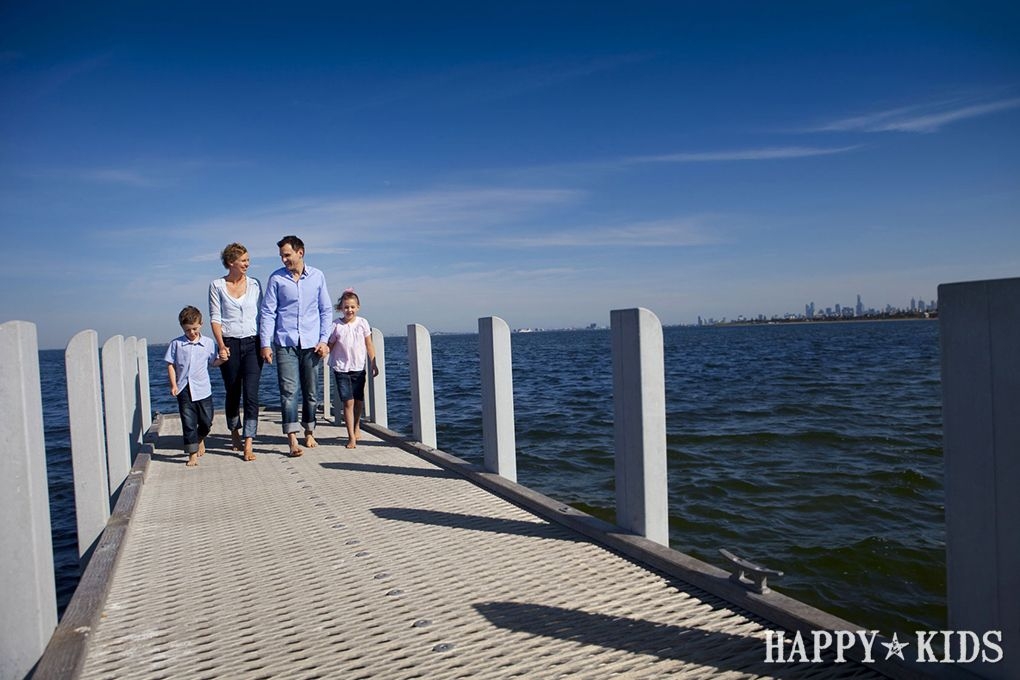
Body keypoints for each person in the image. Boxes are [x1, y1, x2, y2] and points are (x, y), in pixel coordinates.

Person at [259, 235, 332, 457]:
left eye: (287, 255)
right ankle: (292, 438)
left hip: (312, 345)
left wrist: (324, 340)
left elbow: (326, 310)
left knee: (311, 392)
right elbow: (268, 312)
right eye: (282, 256)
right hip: (285, 343)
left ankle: (309, 430)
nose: (284, 260)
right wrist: (265, 344)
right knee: (289, 392)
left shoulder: (318, 276)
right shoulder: (276, 279)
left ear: (300, 253)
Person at [209, 242, 264, 462]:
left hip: (253, 344)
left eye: (248, 260)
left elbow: (263, 316)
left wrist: (265, 344)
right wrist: (221, 345)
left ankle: (248, 441)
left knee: (251, 394)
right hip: (229, 343)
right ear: (231, 262)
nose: (247, 264)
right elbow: (215, 317)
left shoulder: (255, 284)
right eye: (243, 260)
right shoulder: (216, 286)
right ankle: (234, 432)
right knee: (233, 392)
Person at [165, 306, 225, 467]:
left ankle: (200, 438)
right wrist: (173, 385)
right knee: (188, 422)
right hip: (184, 388)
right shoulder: (176, 344)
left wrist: (223, 359)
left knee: (207, 421)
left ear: (201, 324)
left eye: (194, 329)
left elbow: (214, 362)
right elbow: (170, 364)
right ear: (182, 328)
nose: (191, 333)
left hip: (203, 389)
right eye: (187, 330)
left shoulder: (208, 343)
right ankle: (192, 454)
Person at [327, 289, 379, 448]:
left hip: (358, 367)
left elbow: (368, 344)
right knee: (347, 402)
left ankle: (356, 426)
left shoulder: (363, 323)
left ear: (358, 307)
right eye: (346, 307)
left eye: (352, 307)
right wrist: (321, 352)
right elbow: (330, 344)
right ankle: (351, 436)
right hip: (341, 368)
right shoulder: (336, 325)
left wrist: (373, 362)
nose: (349, 310)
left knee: (358, 401)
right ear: (340, 308)